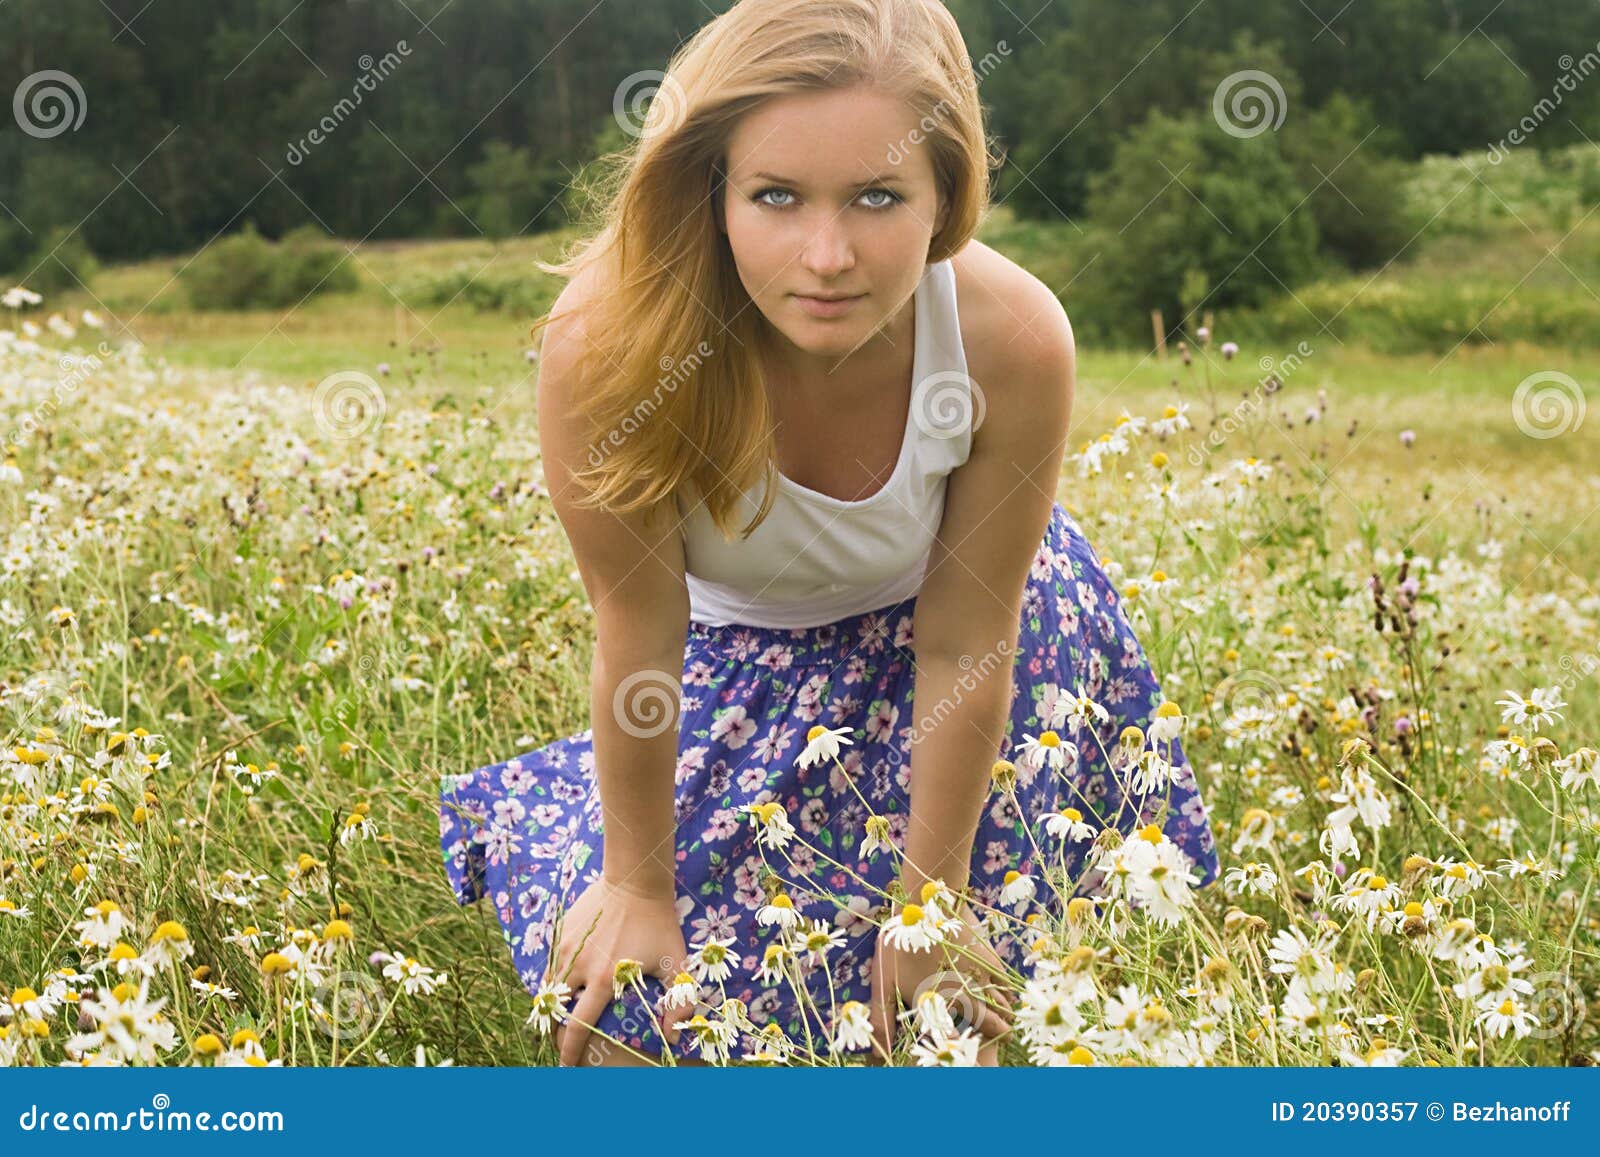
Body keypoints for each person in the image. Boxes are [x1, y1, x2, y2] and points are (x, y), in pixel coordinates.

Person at [439, 0, 1221, 1068]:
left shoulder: (1011, 339)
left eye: (876, 197)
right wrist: (636, 880)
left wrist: (927, 906)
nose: (827, 254)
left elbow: (966, 636)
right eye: (774, 196)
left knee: (957, 1023)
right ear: (709, 191)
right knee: (640, 1026)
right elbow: (637, 627)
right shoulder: (606, 343)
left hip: (972, 645)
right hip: (732, 660)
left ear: (946, 197)